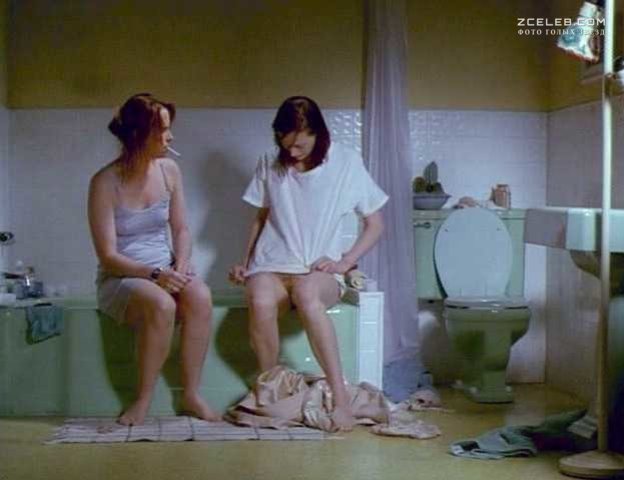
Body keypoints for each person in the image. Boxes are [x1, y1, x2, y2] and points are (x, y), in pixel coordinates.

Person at [229, 96, 388, 431]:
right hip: (273, 264)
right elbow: (261, 216)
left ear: (318, 134)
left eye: (299, 145)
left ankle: (341, 400)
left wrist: (345, 261)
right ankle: (272, 392)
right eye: (285, 144)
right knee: (258, 296)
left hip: (317, 271)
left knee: (305, 292)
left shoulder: (346, 162)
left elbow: (375, 224)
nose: (292, 152)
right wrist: (245, 262)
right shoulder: (270, 162)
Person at [88, 93, 219, 426]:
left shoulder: (169, 170)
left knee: (201, 295)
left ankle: (191, 394)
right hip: (122, 276)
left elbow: (182, 229)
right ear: (138, 135)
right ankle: (142, 400)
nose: (169, 137)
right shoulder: (104, 182)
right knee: (162, 305)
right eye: (161, 130)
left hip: (165, 269)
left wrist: (181, 264)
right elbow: (108, 256)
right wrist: (155, 274)